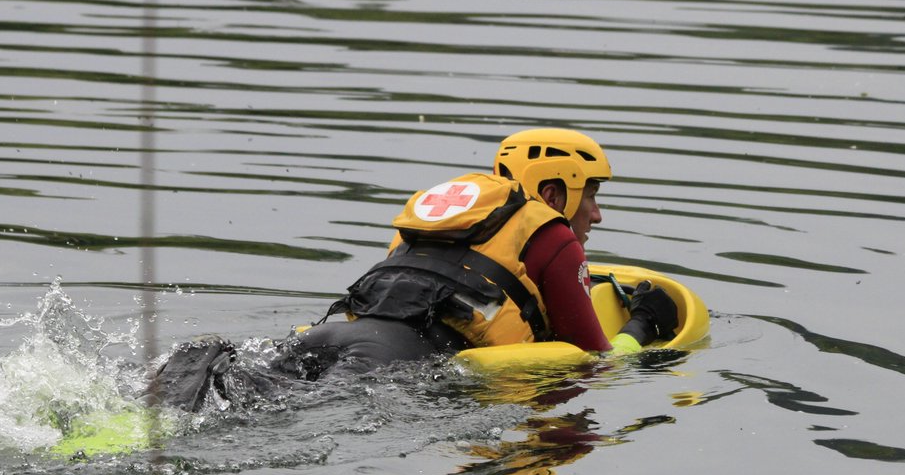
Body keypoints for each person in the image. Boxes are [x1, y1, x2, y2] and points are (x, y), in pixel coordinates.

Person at [155, 129, 679, 412]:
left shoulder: (444, 216)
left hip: (329, 336)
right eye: (591, 194)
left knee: (231, 396)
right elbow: (592, 360)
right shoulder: (553, 236)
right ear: (553, 191)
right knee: (276, 418)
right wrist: (645, 326)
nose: (597, 213)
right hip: (391, 364)